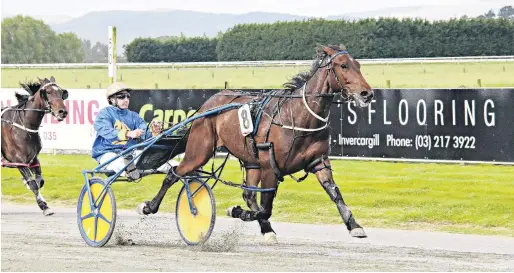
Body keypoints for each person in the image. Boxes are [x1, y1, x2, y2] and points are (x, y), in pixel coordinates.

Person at [91, 82, 178, 179]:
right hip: (107, 153)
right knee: (119, 163)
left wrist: (154, 132)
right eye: (122, 97)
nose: (126, 100)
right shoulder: (105, 113)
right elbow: (106, 131)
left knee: (159, 160)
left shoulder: (134, 116)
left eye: (128, 97)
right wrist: (128, 133)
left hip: (129, 153)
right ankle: (130, 170)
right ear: (112, 99)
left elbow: (145, 136)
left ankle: (183, 168)